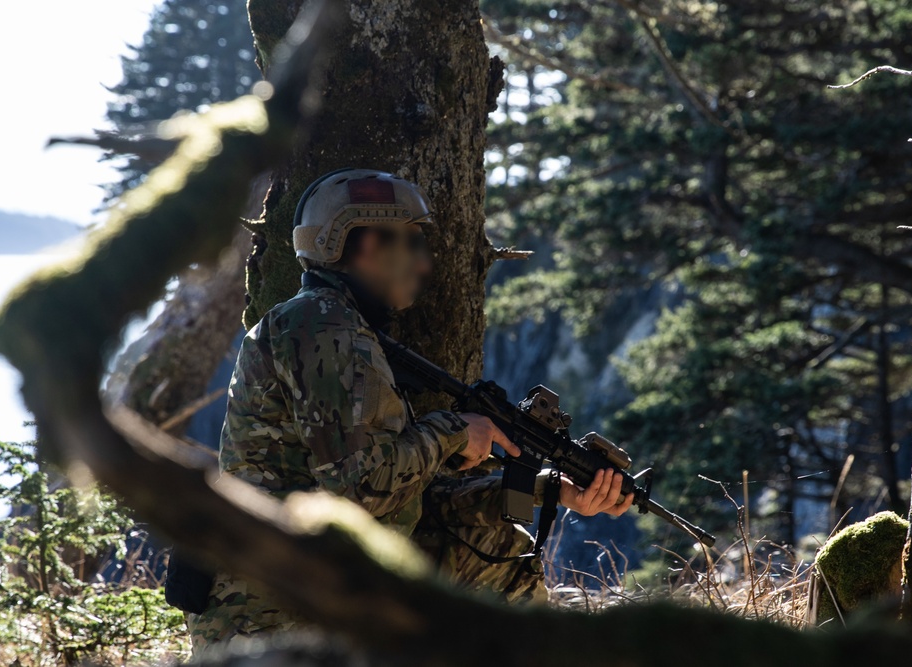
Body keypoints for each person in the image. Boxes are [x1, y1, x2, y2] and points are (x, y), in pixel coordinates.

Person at [187, 168, 634, 653]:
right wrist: (454, 432)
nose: (423, 265)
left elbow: (406, 500)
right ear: (365, 245)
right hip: (272, 606)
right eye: (412, 244)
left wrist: (551, 489)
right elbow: (361, 491)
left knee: (500, 543)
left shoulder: (338, 327)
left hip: (317, 574)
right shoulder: (322, 325)